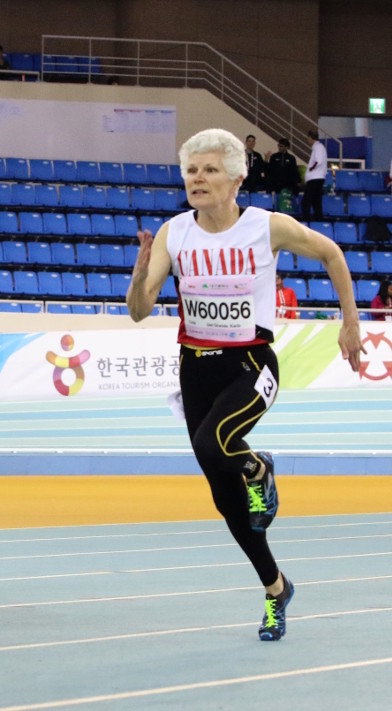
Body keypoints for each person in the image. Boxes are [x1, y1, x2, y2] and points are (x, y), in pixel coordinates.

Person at [126, 128, 362, 642]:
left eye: (209, 170)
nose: (197, 179)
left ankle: (258, 465)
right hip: (196, 368)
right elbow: (139, 311)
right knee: (227, 501)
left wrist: (350, 323)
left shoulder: (266, 226)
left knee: (214, 444)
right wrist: (140, 274)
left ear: (236, 179)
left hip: (251, 364)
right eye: (191, 170)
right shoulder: (173, 233)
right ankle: (276, 588)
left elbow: (333, 255)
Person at [303, 129, 328, 221]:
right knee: (316, 203)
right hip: (317, 178)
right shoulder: (319, 147)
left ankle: (307, 222)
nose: (307, 140)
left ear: (310, 137)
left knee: (306, 202)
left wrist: (311, 168)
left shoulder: (318, 147)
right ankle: (318, 221)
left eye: (307, 138)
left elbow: (318, 161)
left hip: (315, 179)